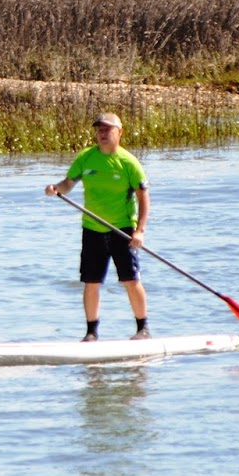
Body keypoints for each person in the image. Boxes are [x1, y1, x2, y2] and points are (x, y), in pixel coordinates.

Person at [45, 112, 151, 342]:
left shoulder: (128, 163)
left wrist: (140, 231)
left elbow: (144, 198)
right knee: (91, 282)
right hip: (92, 228)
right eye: (99, 129)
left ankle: (143, 329)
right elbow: (68, 183)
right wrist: (56, 188)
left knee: (131, 280)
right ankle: (91, 333)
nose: (102, 133)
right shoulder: (86, 158)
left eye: (107, 129)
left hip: (122, 229)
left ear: (119, 132)